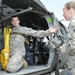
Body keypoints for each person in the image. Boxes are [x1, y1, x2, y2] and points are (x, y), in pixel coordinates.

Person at [60, 1, 75, 75]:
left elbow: (73, 45)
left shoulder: (73, 23)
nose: (63, 14)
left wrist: (62, 48)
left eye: (64, 11)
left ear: (70, 9)